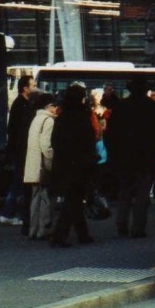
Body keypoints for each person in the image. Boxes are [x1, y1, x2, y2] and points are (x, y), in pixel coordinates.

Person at [104, 77, 155, 238]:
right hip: (147, 158)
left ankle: (122, 223)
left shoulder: (121, 106)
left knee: (125, 191)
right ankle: (138, 227)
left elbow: (110, 134)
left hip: (124, 157)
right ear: (145, 90)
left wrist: (114, 154)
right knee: (142, 194)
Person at [50, 83, 97, 248]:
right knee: (73, 200)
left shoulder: (62, 117)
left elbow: (55, 141)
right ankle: (59, 235)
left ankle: (82, 233)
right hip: (79, 165)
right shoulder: (82, 117)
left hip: (63, 164)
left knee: (74, 200)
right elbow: (88, 141)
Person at [0, 74, 35, 228]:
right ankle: (9, 213)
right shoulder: (21, 105)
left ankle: (10, 213)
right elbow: (18, 130)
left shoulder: (24, 103)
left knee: (19, 182)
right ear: (25, 88)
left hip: (20, 149)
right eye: (33, 86)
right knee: (19, 182)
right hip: (21, 150)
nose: (35, 88)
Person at [23, 91, 58, 240]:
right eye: (54, 105)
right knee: (45, 199)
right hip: (42, 166)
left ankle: (33, 229)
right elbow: (46, 145)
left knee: (35, 198)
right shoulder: (49, 121)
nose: (56, 108)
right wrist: (52, 159)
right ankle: (43, 229)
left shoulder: (36, 119)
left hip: (32, 164)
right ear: (47, 106)